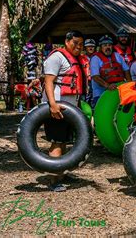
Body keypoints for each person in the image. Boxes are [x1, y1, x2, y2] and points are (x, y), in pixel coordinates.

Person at [42, 30, 88, 191]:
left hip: (70, 109)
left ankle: (61, 172)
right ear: (67, 41)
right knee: (57, 141)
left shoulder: (75, 59)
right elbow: (48, 82)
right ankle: (54, 179)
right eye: (75, 43)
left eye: (81, 44)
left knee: (64, 141)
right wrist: (52, 104)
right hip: (57, 107)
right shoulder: (56, 57)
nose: (79, 47)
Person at [90, 35, 131, 107]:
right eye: (105, 45)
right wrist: (108, 86)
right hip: (100, 93)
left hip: (118, 91)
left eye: (109, 45)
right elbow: (95, 77)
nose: (107, 47)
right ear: (100, 47)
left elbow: (126, 70)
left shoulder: (117, 55)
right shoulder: (95, 58)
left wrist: (129, 85)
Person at [82, 38, 96, 105]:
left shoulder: (97, 57)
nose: (90, 48)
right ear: (85, 48)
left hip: (96, 81)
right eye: (88, 46)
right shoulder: (81, 58)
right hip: (85, 82)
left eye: (92, 46)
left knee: (94, 99)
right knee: (86, 99)